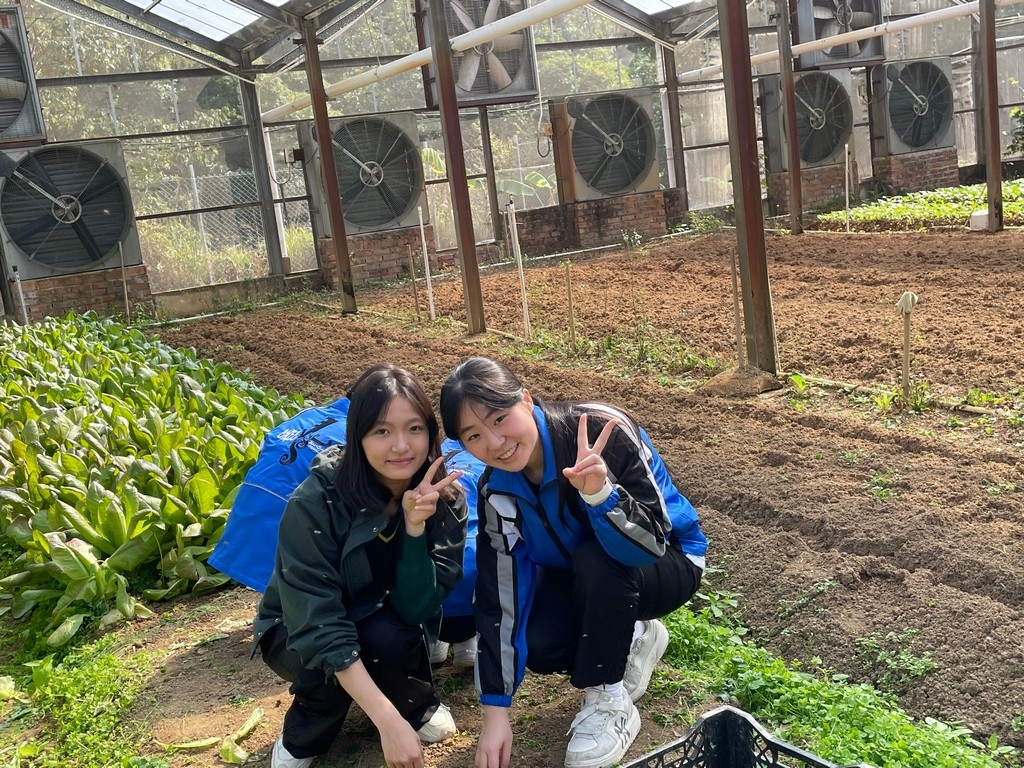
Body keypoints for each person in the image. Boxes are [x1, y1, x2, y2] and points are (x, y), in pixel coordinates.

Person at [439, 356, 708, 768]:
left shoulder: (601, 432)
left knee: (596, 556)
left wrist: (600, 496)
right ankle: (634, 634)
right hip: (582, 576)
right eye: (474, 436)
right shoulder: (498, 492)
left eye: (499, 418)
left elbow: (652, 542)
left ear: (525, 399)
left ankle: (609, 699)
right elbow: (500, 598)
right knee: (540, 643)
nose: (494, 443)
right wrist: (495, 712)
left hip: (667, 559)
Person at [252, 363, 468, 768]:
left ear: (430, 433)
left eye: (414, 428)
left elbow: (417, 609)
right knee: (326, 668)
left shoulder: (443, 498)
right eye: (382, 431)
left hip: (381, 613)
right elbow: (316, 620)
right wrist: (386, 721)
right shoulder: (317, 501)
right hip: (296, 627)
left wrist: (414, 529)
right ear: (358, 436)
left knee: (390, 638)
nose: (401, 446)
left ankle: (414, 703)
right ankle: (304, 735)